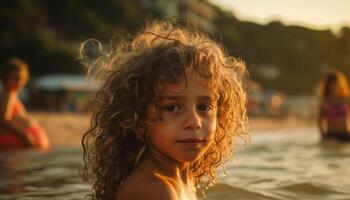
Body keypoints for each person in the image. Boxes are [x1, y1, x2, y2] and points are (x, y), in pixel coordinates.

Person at [82, 21, 248, 200]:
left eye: (204, 107)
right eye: (173, 107)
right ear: (138, 120)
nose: (194, 122)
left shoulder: (182, 178)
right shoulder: (157, 190)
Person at [0, 58, 50, 151]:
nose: (18, 82)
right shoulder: (7, 95)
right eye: (14, 78)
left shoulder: (12, 94)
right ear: (5, 78)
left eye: (21, 79)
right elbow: (3, 121)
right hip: (14, 141)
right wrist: (24, 135)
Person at [318, 69, 350, 142]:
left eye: (336, 83)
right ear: (327, 85)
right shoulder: (325, 102)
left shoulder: (346, 99)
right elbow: (319, 120)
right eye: (331, 84)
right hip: (331, 136)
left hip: (346, 134)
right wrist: (323, 136)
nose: (333, 86)